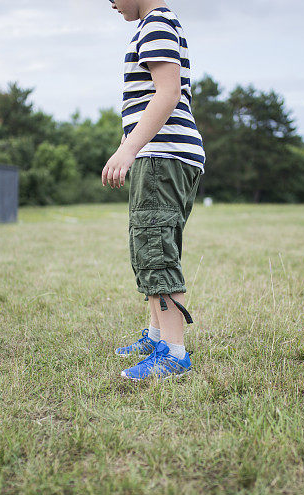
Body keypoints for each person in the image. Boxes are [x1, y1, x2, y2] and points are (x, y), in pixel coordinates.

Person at [102, 0, 205, 380]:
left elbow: (167, 93)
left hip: (162, 155)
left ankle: (173, 354)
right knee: (154, 242)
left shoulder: (156, 24)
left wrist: (128, 148)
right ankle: (156, 334)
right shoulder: (157, 24)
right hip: (169, 156)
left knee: (154, 248)